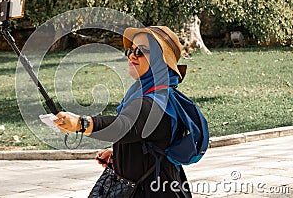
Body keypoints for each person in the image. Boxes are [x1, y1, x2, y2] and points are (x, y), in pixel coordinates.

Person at [54, 26, 192, 197]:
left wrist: (81, 124)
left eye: (141, 51)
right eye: (130, 50)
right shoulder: (148, 92)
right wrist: (121, 155)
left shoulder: (156, 101)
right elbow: (149, 139)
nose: (132, 56)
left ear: (160, 60)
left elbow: (125, 126)